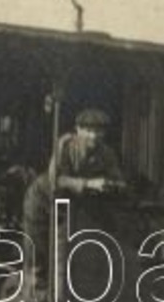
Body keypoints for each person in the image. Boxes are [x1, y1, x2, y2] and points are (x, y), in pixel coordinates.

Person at [20, 107, 127, 288]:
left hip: (68, 205)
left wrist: (113, 185)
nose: (94, 136)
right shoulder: (66, 145)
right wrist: (89, 184)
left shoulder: (106, 153)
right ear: (78, 130)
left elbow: (118, 180)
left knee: (66, 254)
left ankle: (60, 300)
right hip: (42, 199)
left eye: (99, 131)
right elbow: (58, 180)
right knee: (37, 252)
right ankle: (33, 294)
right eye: (89, 131)